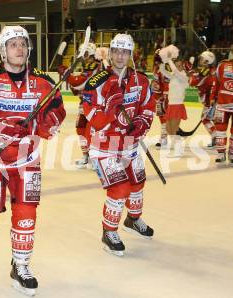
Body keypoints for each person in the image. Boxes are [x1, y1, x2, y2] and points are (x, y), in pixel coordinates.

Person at [0, 25, 66, 295]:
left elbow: (57, 112)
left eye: (23, 43)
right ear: (2, 50)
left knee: (26, 215)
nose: (19, 48)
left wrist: (40, 126)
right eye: (13, 44)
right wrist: (0, 128)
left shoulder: (44, 81)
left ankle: (20, 265)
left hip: (27, 160)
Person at [81, 33, 155, 257]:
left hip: (129, 144)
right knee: (120, 189)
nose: (120, 56)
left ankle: (133, 219)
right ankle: (108, 231)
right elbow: (93, 117)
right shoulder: (96, 82)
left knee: (138, 182)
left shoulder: (141, 80)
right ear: (110, 53)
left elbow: (148, 106)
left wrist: (141, 124)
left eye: (125, 52)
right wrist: (109, 109)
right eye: (116, 51)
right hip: (104, 145)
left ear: (130, 55)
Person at [58, 42, 101, 169]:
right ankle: (86, 156)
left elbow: (78, 82)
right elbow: (77, 88)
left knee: (90, 131)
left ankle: (95, 158)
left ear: (92, 54)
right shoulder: (88, 66)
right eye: (82, 55)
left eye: (86, 54)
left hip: (94, 105)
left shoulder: (94, 66)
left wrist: (65, 73)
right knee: (80, 128)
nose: (84, 57)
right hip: (84, 103)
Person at [159, 45, 189, 158]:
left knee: (174, 129)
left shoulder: (183, 77)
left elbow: (175, 71)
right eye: (177, 65)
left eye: (181, 65)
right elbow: (163, 70)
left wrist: (169, 60)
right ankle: (178, 146)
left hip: (178, 105)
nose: (179, 67)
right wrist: (162, 60)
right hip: (171, 105)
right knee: (168, 129)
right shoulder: (173, 76)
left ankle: (178, 150)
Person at [188, 50, 217, 148]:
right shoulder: (209, 70)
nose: (199, 60)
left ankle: (216, 137)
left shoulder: (207, 72)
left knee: (206, 120)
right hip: (212, 100)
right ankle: (216, 138)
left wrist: (194, 74)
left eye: (201, 59)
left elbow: (193, 82)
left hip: (211, 101)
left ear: (206, 61)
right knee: (210, 119)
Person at [152, 49, 170, 149]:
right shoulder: (157, 68)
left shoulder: (164, 69)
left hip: (162, 99)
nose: (155, 59)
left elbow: (167, 85)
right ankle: (163, 138)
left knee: (163, 118)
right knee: (162, 119)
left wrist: (165, 99)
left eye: (156, 57)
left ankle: (163, 139)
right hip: (157, 98)